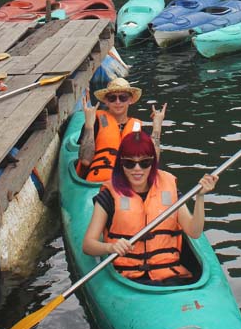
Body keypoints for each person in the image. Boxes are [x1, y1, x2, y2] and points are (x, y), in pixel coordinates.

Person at [82, 132, 219, 285]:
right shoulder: (109, 196)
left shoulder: (169, 187)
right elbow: (88, 245)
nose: (137, 169)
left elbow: (194, 231)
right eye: (129, 163)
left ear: (152, 163)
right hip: (129, 279)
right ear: (121, 163)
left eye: (144, 163)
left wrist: (200, 197)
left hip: (170, 276)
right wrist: (111, 247)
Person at [77, 77, 167, 183]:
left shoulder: (139, 129)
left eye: (123, 97)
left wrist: (157, 128)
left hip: (128, 185)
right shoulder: (94, 122)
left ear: (130, 100)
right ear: (106, 101)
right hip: (97, 183)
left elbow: (153, 161)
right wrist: (89, 125)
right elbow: (85, 160)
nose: (118, 102)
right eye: (112, 98)